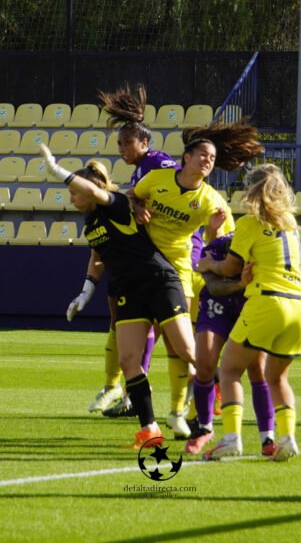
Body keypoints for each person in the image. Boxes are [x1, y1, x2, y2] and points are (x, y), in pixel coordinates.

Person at [42, 144, 195, 449]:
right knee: (128, 360)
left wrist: (58, 171)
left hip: (158, 280)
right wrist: (86, 291)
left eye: (76, 190)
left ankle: (220, 390)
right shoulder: (91, 223)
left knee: (186, 352)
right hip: (128, 290)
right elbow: (98, 257)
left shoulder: (115, 204)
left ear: (90, 190)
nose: (71, 196)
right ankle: (149, 429)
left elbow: (98, 193)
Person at [130, 120, 262, 437]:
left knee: (178, 344)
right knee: (132, 347)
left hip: (178, 271)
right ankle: (143, 397)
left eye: (212, 158)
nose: (207, 160)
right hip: (141, 262)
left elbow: (222, 245)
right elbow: (131, 196)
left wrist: (215, 230)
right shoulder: (157, 179)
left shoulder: (211, 200)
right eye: (203, 154)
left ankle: (180, 412)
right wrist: (137, 207)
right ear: (186, 157)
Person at [73, 85, 177, 420]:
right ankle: (126, 389)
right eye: (118, 143)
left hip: (173, 256)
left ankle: (196, 399)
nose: (121, 148)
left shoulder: (159, 162)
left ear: (144, 143)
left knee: (173, 339)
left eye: (126, 142)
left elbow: (174, 187)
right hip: (146, 258)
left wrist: (139, 202)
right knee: (128, 327)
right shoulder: (139, 171)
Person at [195, 164, 301, 461]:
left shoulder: (249, 223)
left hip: (268, 301)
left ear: (252, 189)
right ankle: (288, 439)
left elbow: (231, 268)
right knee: (277, 377)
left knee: (231, 369)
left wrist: (208, 265)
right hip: (300, 306)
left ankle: (231, 438)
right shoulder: (291, 223)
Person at [184, 234, 277, 456]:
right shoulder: (214, 248)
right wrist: (240, 282)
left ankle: (267, 437)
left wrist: (233, 280)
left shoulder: (260, 249)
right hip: (216, 307)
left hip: (248, 306)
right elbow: (215, 287)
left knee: (257, 370)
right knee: (205, 364)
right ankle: (205, 428)